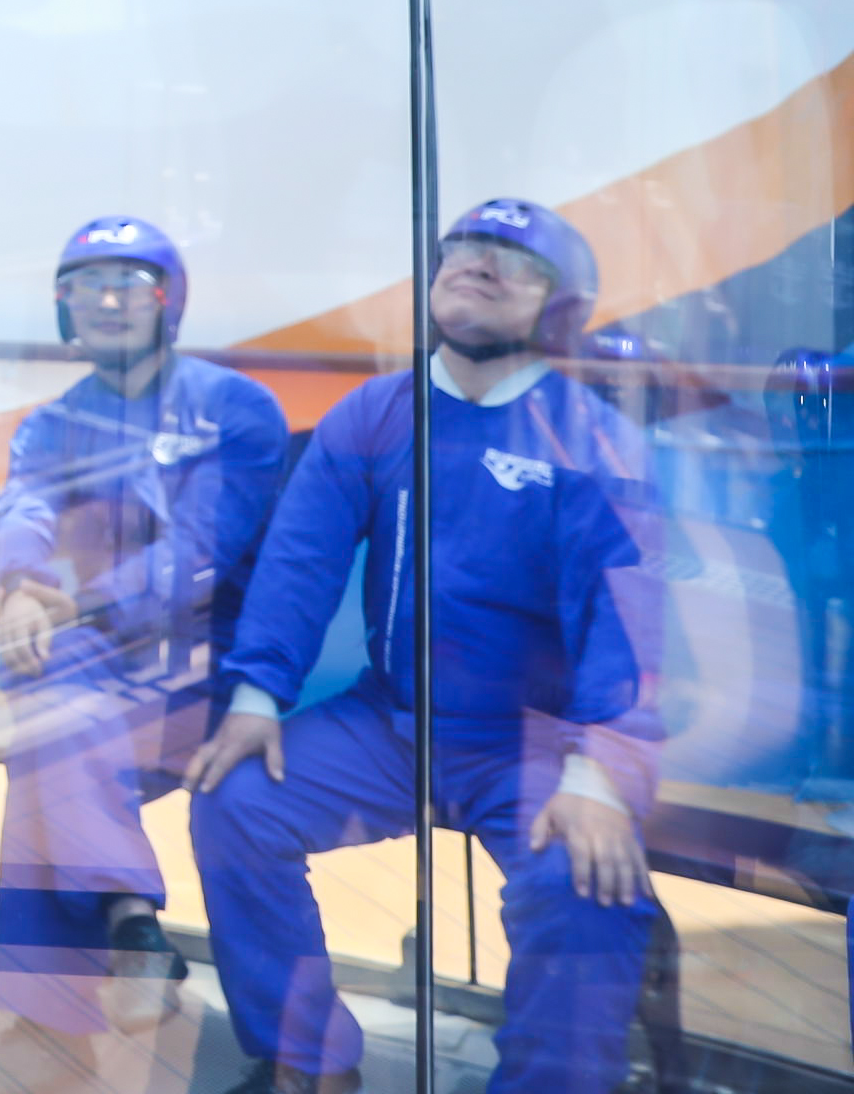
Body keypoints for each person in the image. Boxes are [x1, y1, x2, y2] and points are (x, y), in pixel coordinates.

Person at [188, 198, 661, 1094]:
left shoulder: (594, 438)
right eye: (464, 248)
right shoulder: (377, 412)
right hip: (390, 719)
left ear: (561, 307)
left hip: (533, 739)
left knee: (589, 885)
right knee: (235, 803)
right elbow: (299, 563)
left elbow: (630, 622)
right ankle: (310, 1062)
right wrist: (256, 697)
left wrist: (603, 771)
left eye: (513, 260)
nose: (478, 264)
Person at [0, 220, 288, 1086]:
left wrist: (76, 601)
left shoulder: (238, 408)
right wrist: (17, 585)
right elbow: (23, 507)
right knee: (44, 690)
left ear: (168, 303)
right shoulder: (53, 423)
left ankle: (58, 1015)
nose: (108, 303)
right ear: (63, 307)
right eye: (87, 286)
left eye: (129, 286)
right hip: (103, 660)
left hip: (216, 670)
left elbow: (200, 554)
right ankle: (130, 928)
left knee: (46, 742)